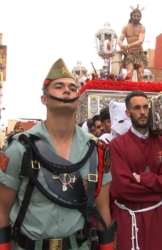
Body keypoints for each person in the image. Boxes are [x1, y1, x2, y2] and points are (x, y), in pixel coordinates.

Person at [0, 58, 116, 250]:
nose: (67, 90)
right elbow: (2, 210)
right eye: (59, 86)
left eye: (72, 87)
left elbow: (103, 211)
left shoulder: (96, 150)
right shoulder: (20, 148)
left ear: (77, 100)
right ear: (44, 98)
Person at [109, 90, 162, 250]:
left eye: (146, 107)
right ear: (128, 112)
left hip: (156, 215)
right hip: (128, 217)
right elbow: (121, 187)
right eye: (137, 108)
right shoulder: (117, 145)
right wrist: (155, 184)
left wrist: (140, 178)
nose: (143, 112)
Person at [118, 7, 148, 82]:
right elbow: (120, 40)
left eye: (138, 16)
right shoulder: (126, 27)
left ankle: (141, 92)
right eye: (134, 16)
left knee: (141, 74)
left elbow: (140, 41)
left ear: (140, 17)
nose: (136, 18)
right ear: (131, 16)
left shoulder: (142, 27)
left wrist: (128, 46)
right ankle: (129, 92)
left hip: (140, 53)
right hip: (130, 53)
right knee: (129, 73)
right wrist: (123, 47)